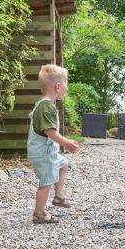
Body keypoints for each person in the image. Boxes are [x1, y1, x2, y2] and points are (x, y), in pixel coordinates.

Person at [27, 64, 79, 224]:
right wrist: (67, 143)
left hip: (47, 152)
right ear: (57, 86)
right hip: (44, 153)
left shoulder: (44, 105)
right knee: (46, 182)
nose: (66, 88)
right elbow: (50, 131)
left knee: (64, 164)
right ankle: (39, 213)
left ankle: (59, 196)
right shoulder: (46, 107)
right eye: (66, 85)